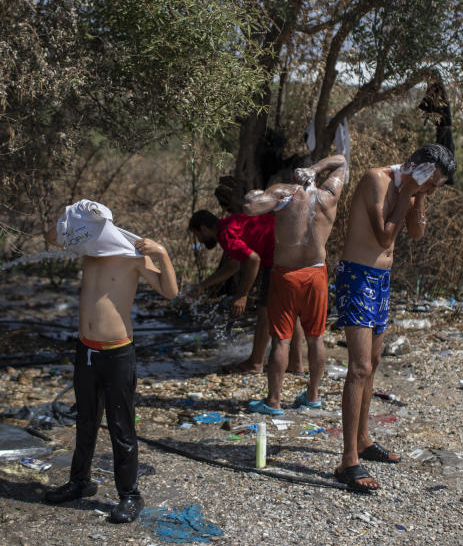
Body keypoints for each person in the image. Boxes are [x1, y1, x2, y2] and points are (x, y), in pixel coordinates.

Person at [42, 200, 178, 523]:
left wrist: (162, 253)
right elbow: (51, 237)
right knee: (86, 420)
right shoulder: (87, 247)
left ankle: (130, 496)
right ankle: (79, 482)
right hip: (86, 349)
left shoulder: (132, 254)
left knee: (121, 426)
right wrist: (69, 214)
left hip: (117, 353)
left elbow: (169, 292)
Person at [334, 144, 456, 492]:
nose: (432, 190)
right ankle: (348, 462)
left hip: (381, 280)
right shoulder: (377, 179)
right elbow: (384, 234)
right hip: (357, 276)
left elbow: (416, 234)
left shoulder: (413, 191)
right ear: (415, 167)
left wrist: (418, 196)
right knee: (358, 367)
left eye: (436, 187)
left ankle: (362, 440)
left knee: (372, 362)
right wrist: (406, 192)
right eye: (430, 183)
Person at [242, 154, 348, 415]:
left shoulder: (284, 193)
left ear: (293, 173)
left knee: (281, 340)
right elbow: (342, 161)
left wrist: (255, 194)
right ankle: (312, 395)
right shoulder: (329, 195)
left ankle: (274, 401)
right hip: (316, 274)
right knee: (315, 337)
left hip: (287, 275)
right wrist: (317, 168)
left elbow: (250, 207)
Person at [188, 209, 305, 374]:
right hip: (296, 251)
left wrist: (242, 295)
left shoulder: (225, 234)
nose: (199, 240)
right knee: (293, 313)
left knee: (265, 314)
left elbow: (253, 259)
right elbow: (233, 266)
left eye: (197, 235)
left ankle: (255, 363)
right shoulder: (232, 223)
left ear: (204, 229)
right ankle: (296, 363)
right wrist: (203, 285)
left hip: (277, 260)